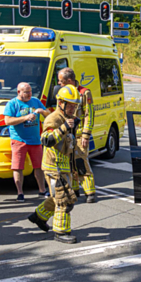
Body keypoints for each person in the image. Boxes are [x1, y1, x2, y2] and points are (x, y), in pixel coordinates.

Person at [28, 85, 83, 244]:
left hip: (64, 167)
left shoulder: (68, 119)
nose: (73, 109)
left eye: (75, 106)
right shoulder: (54, 119)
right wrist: (64, 128)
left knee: (60, 196)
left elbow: (70, 147)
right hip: (53, 168)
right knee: (63, 199)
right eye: (70, 105)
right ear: (61, 103)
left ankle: (38, 216)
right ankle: (61, 232)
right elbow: (46, 140)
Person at [54, 67, 96, 203]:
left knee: (81, 162)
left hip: (78, 135)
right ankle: (75, 189)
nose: (59, 84)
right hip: (66, 134)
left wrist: (85, 135)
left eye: (61, 81)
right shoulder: (62, 93)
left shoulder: (84, 93)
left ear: (70, 80)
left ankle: (90, 192)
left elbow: (89, 115)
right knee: (69, 164)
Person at [4, 82, 49, 201]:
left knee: (39, 166)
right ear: (19, 92)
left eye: (30, 91)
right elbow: (7, 121)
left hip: (35, 140)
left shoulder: (35, 101)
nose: (29, 94)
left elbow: (48, 115)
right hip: (19, 140)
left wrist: (42, 112)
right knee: (18, 167)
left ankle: (42, 190)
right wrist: (25, 117)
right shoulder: (12, 103)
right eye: (26, 92)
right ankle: (20, 193)